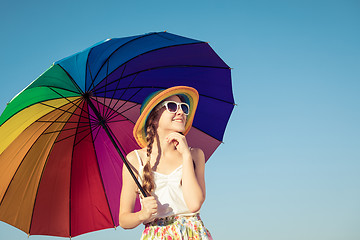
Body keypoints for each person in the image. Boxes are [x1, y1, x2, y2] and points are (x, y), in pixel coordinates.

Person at [119, 86, 213, 239]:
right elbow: (124, 219)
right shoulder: (135, 160)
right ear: (154, 118)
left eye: (184, 107)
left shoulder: (196, 154)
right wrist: (142, 215)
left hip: (193, 234)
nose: (181, 112)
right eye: (172, 106)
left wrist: (186, 156)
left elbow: (194, 204)